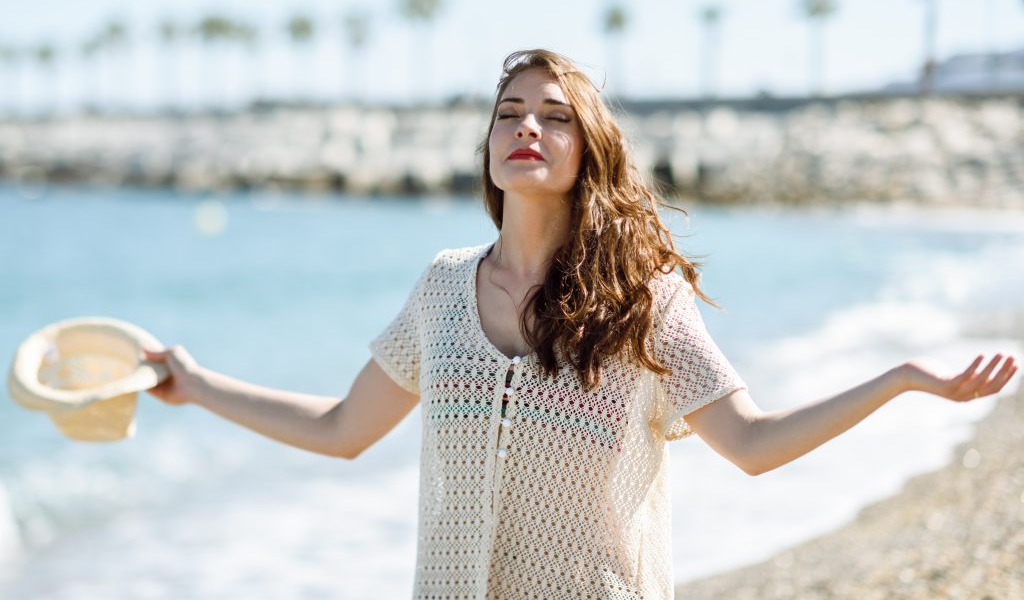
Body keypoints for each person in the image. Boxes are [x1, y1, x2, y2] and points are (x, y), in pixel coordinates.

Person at [143, 48, 1018, 600]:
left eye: (555, 116)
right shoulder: (443, 289)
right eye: (510, 112)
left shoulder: (644, 301)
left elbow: (752, 444)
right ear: (489, 148)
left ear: (587, 152)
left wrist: (902, 378)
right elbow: (342, 429)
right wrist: (195, 383)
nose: (527, 125)